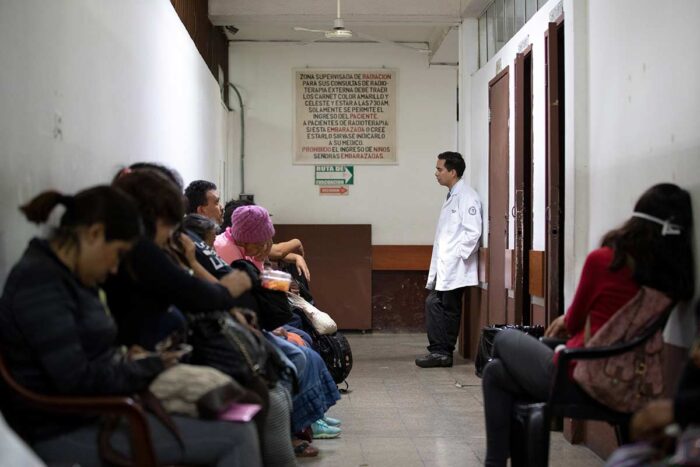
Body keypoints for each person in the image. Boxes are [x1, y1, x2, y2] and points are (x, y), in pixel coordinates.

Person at [0, 186, 261, 467]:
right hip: (65, 429)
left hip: (97, 413)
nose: (114, 268)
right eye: (118, 253)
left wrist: (137, 359)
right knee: (237, 435)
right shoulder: (41, 285)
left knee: (234, 412)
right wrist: (153, 366)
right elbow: (77, 381)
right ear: (94, 235)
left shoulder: (68, 276)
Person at [481, 183, 695, 467]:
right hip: (630, 381)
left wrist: (564, 321)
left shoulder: (606, 260)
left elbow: (576, 321)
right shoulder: (670, 279)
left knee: (504, 341)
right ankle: (494, 463)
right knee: (495, 372)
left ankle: (494, 462)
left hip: (580, 376)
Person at [416, 151, 482, 368]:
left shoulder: (467, 197)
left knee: (445, 307)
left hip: (456, 266)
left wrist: (457, 256)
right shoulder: (453, 195)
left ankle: (442, 353)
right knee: (436, 304)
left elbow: (473, 232)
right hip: (448, 267)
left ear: (452, 172)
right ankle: (440, 351)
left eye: (439, 169)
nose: (436, 173)